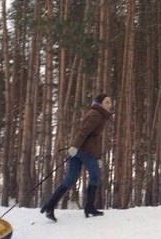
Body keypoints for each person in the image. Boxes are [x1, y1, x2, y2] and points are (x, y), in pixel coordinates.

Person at [39, 93, 113, 221]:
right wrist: (74, 146)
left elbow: (94, 139)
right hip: (85, 151)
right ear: (100, 103)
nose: (110, 104)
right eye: (107, 102)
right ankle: (89, 208)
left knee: (70, 179)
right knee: (94, 176)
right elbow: (83, 131)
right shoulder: (96, 114)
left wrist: (97, 156)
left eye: (110, 102)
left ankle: (50, 206)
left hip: (80, 150)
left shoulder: (98, 114)